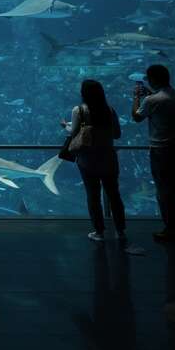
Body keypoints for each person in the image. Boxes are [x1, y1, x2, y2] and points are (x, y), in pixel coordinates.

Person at [132, 64, 175, 243]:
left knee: (165, 191)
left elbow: (136, 117)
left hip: (162, 152)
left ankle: (171, 229)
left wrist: (137, 98)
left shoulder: (151, 100)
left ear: (153, 79)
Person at [64, 79, 126, 242]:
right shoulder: (109, 110)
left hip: (88, 160)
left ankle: (99, 232)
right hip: (108, 158)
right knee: (114, 195)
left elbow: (74, 133)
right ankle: (121, 231)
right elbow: (117, 134)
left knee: (93, 195)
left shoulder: (79, 111)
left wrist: (66, 126)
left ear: (83, 93)